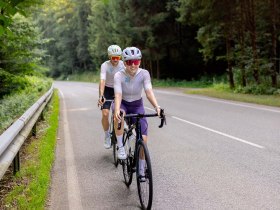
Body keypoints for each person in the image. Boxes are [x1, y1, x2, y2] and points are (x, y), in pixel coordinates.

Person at [113, 46, 162, 178]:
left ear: (139, 62)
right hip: (122, 103)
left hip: (137, 105)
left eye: (136, 62)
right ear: (124, 63)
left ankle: (141, 169)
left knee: (143, 139)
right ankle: (121, 148)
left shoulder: (144, 74)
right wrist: (117, 109)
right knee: (118, 117)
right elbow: (117, 94)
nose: (133, 65)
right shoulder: (119, 75)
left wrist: (157, 107)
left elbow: (148, 92)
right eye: (129, 62)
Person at [98, 45, 124, 149]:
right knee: (105, 113)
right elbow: (102, 80)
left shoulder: (123, 64)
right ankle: (107, 135)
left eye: (117, 57)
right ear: (109, 57)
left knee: (122, 111)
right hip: (107, 89)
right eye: (113, 58)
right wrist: (101, 95)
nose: (115, 60)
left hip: (119, 88)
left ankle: (124, 129)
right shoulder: (105, 65)